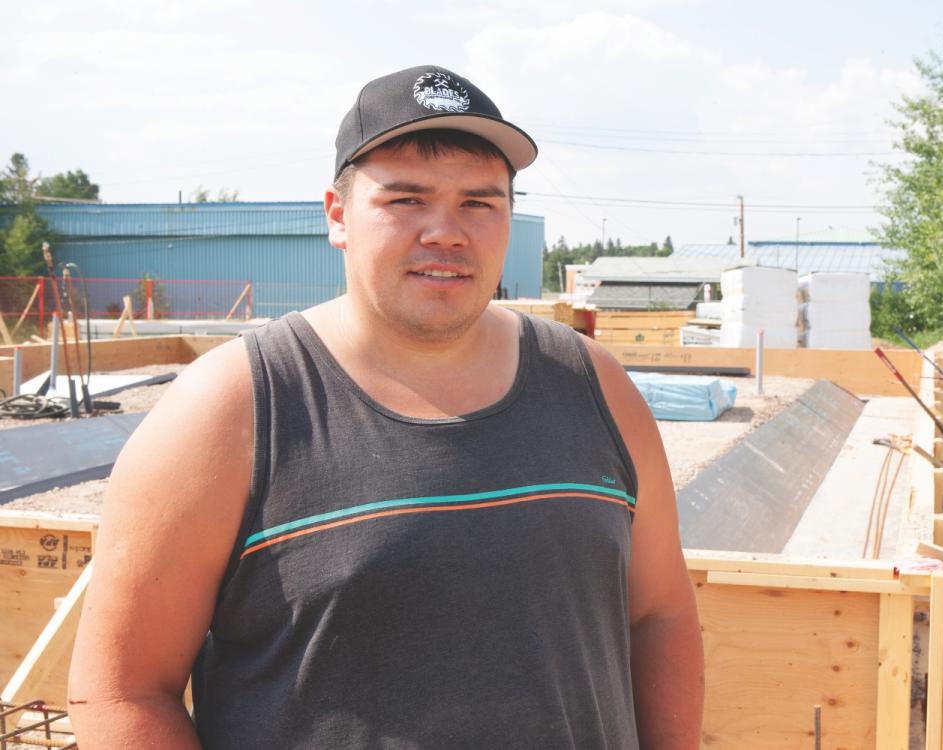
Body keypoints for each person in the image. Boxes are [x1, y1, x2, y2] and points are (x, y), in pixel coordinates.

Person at [68, 65, 703, 748]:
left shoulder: (594, 386)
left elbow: (660, 615)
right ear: (338, 216)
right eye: (406, 199)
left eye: (479, 203)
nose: (446, 232)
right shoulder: (230, 410)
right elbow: (122, 692)